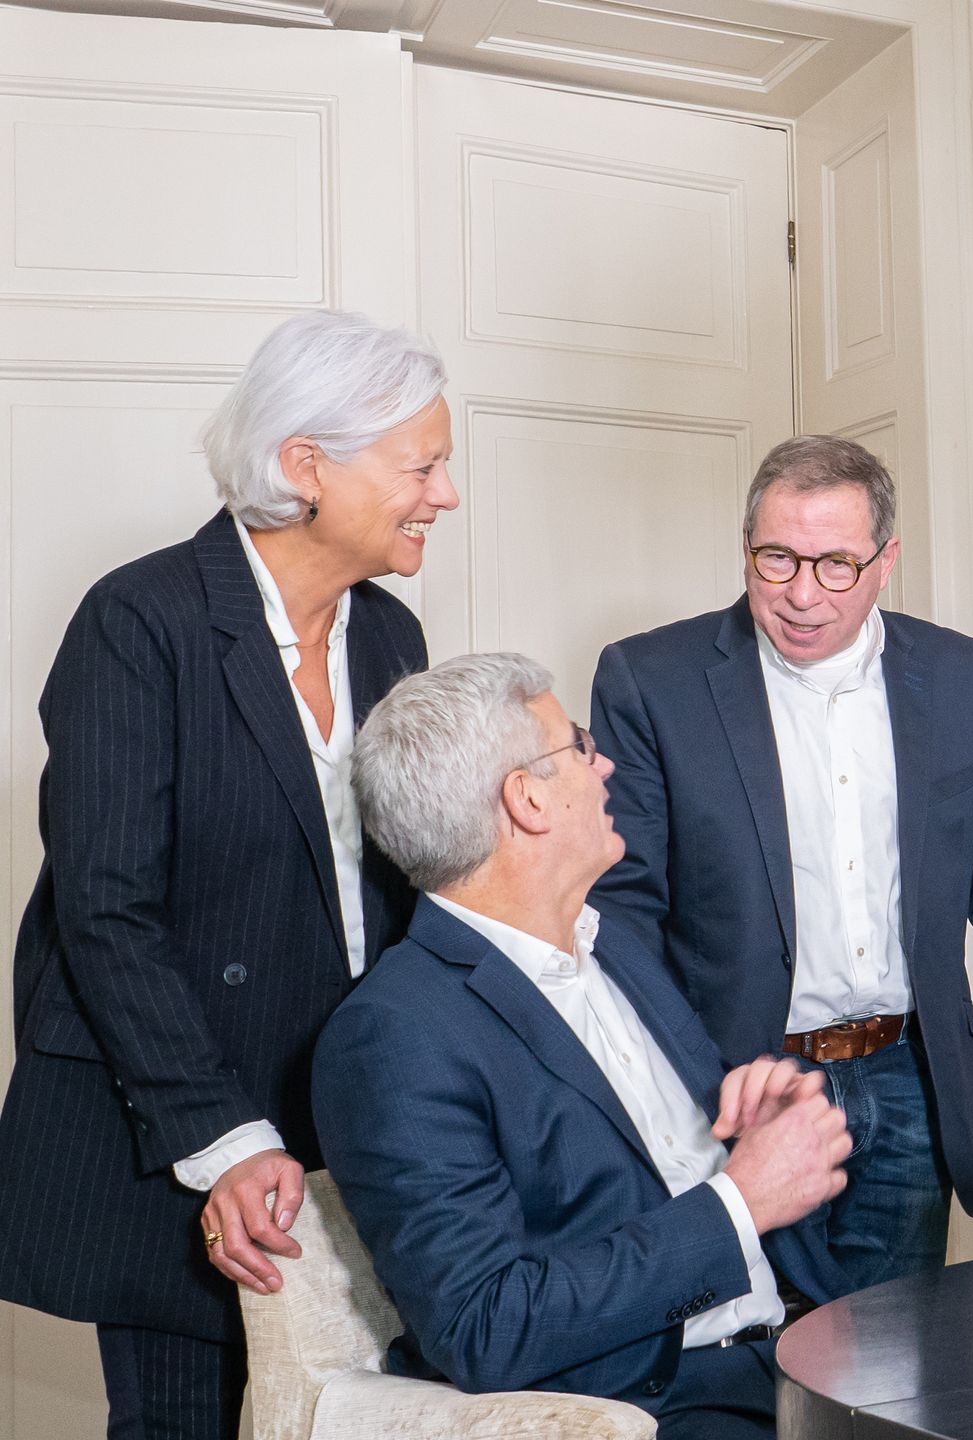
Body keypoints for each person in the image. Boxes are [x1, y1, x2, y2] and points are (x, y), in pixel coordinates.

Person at [0, 310, 458, 1439]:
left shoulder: (392, 640)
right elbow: (105, 911)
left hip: (340, 1126)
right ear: (307, 467)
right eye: (423, 465)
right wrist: (231, 1140)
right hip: (176, 1133)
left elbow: (404, 887)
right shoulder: (139, 620)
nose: (443, 495)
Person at [588, 434, 973, 1289]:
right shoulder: (650, 679)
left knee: (889, 1373)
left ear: (885, 561)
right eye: (776, 559)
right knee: (750, 1363)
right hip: (742, 1081)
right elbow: (620, 906)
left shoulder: (957, 675)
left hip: (909, 1080)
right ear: (746, 546)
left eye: (835, 566)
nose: (799, 594)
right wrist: (696, 1078)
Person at [313, 654, 852, 1439]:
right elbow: (486, 1328)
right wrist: (740, 1201)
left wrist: (766, 1124)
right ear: (526, 798)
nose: (605, 766)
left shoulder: (620, 948)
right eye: (580, 746)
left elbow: (675, 1166)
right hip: (662, 1406)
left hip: (808, 1349)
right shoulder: (393, 1036)